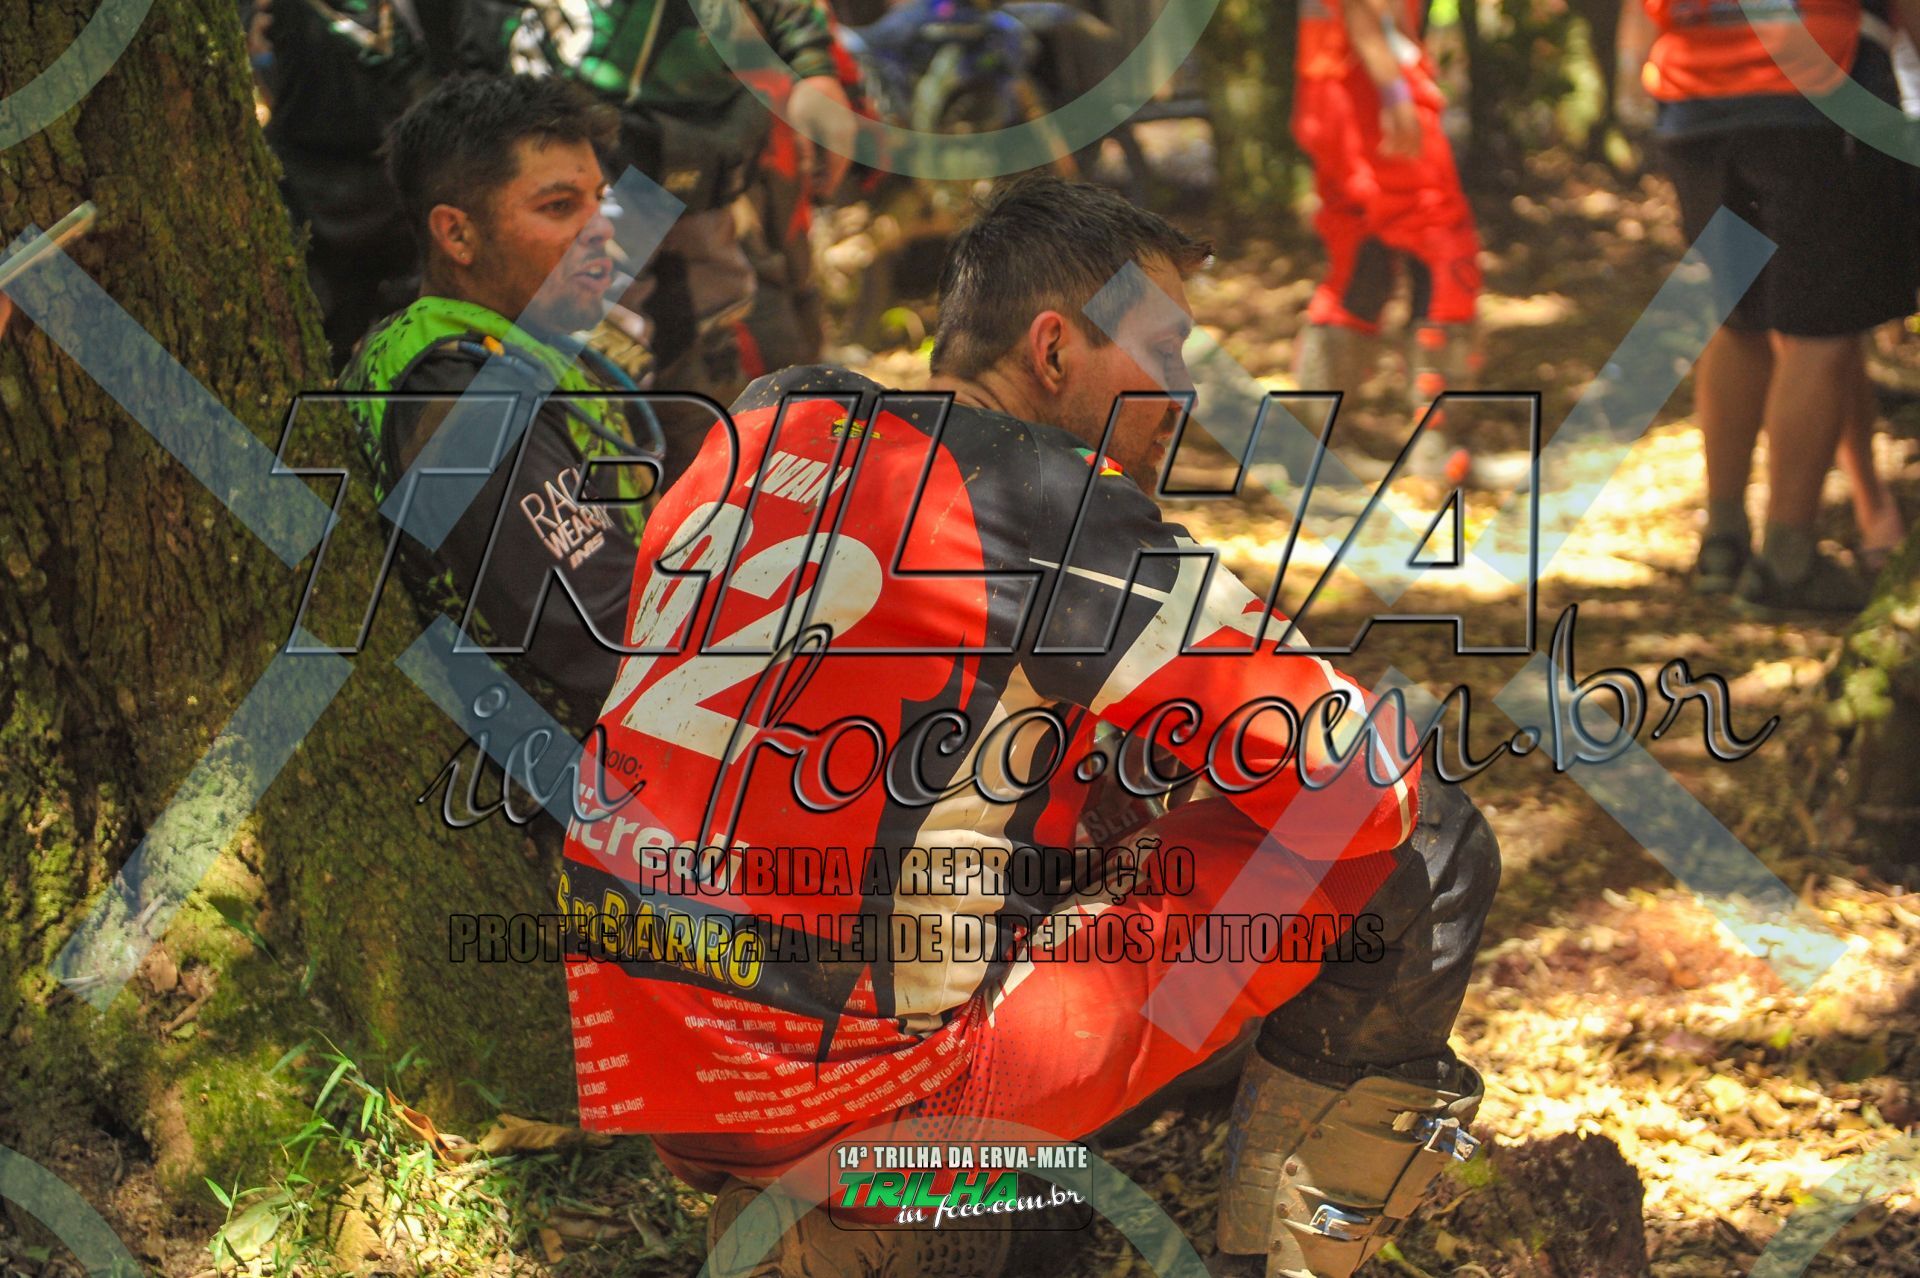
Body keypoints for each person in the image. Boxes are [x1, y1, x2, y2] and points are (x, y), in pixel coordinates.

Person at [567, 176, 1501, 1277]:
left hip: (653, 1079)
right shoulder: (1042, 498)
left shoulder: (766, 424)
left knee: (1092, 798)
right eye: (1164, 351)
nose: (1185, 393)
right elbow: (1358, 779)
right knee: (1422, 834)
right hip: (864, 1095)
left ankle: (903, 1219)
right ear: (1054, 349)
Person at [336, 74, 656, 737]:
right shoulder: (459, 400)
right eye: (560, 206)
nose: (602, 232)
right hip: (569, 778)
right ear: (457, 235)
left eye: (601, 201)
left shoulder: (500, 341)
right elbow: (606, 642)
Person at [1640, 0, 1917, 612]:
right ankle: (1787, 566)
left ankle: (1724, 543)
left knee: (1739, 319)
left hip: (1694, 98)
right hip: (1815, 89)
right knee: (1822, 332)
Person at [1290, 0, 1487, 483]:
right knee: (1443, 250)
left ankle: (1314, 450)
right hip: (1371, 89)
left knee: (1363, 256)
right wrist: (1396, 91)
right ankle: (1439, 447)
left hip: (1335, 88)